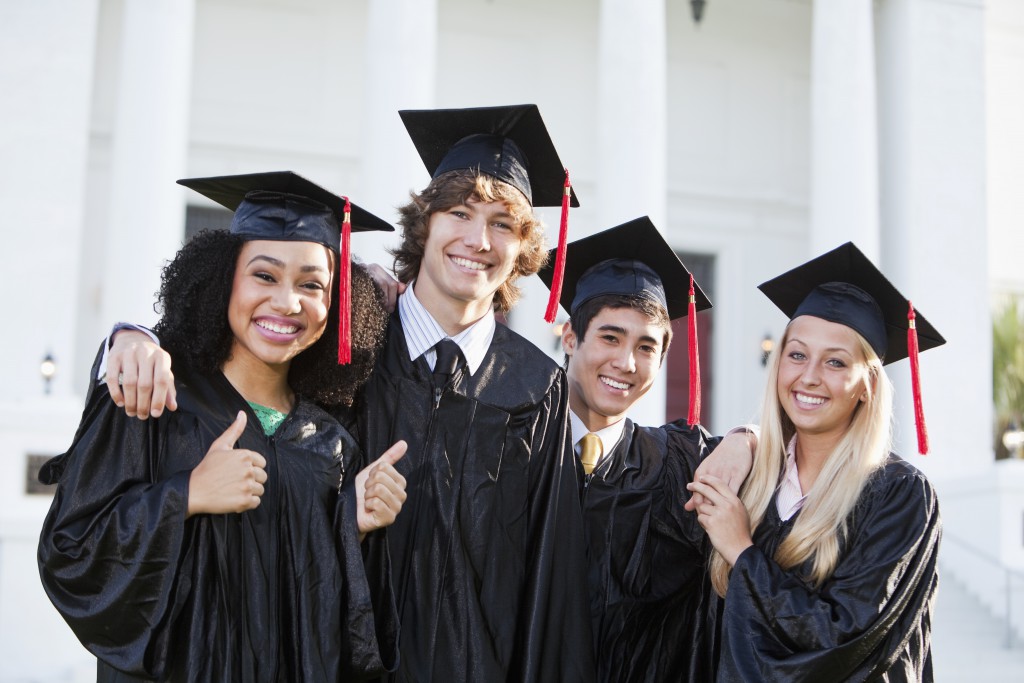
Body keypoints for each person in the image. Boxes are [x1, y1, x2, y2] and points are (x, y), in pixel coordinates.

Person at [102, 105, 596, 681]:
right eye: (459, 213)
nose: (478, 239)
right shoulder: (341, 345)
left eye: (503, 224)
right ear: (426, 225)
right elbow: (228, 345)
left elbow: (550, 574)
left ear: (522, 250)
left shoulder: (537, 386)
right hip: (330, 658)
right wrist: (129, 337)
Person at [38, 172, 409, 682]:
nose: (287, 302)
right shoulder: (155, 398)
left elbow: (330, 623)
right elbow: (72, 552)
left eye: (311, 284)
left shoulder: (331, 442)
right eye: (264, 275)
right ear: (221, 280)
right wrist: (185, 495)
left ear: (335, 307)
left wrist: (353, 525)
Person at [687, 242, 944, 682]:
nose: (809, 376)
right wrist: (743, 438)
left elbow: (844, 641)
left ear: (867, 386)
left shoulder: (898, 496)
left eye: (836, 362)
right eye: (798, 354)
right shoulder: (749, 477)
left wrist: (741, 551)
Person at [537, 216, 754, 682]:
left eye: (646, 347)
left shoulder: (682, 465)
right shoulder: (511, 447)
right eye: (610, 337)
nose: (626, 363)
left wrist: (748, 437)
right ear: (571, 336)